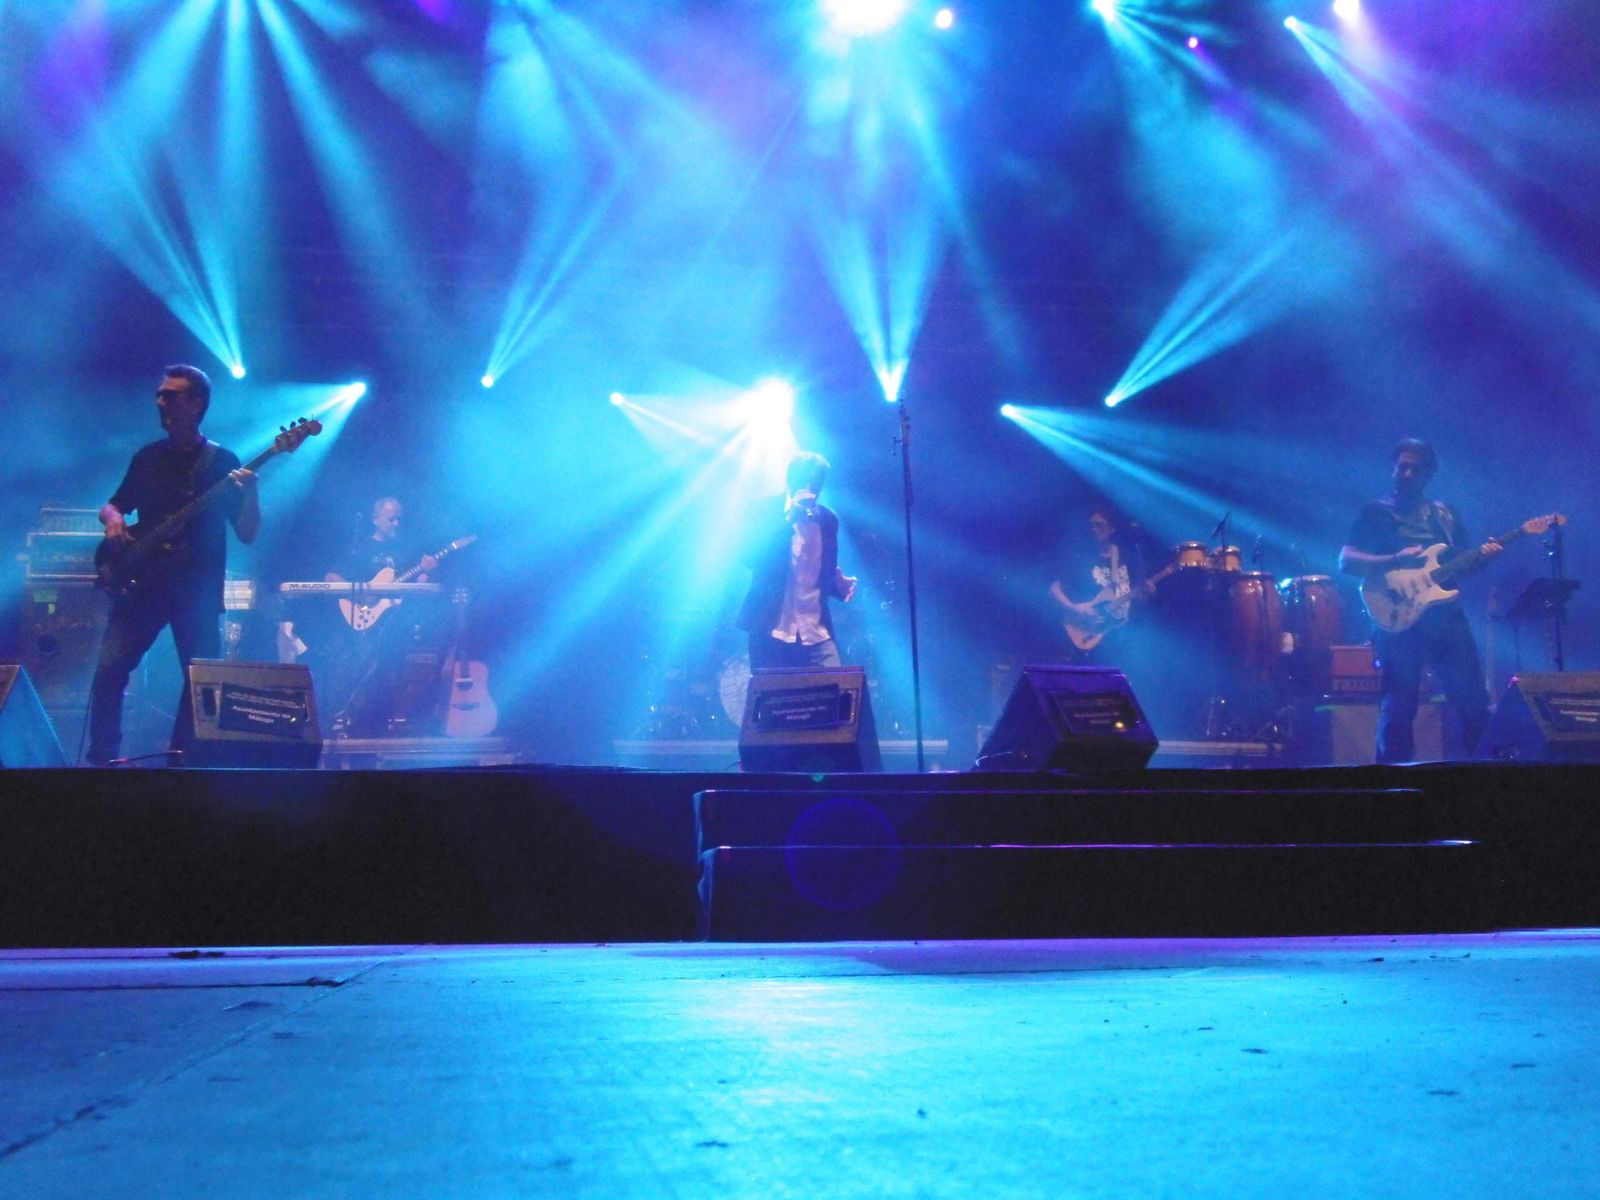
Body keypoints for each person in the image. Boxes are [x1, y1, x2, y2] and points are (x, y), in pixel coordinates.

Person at [86, 365, 260, 764]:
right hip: (143, 583)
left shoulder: (222, 462)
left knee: (200, 685)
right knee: (109, 672)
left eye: (170, 395)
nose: (159, 401)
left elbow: (248, 533)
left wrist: (250, 493)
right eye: (159, 394)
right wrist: (113, 518)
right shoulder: (148, 457)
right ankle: (101, 760)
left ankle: (183, 764)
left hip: (195, 591)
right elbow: (115, 503)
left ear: (195, 404)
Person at [1339, 438, 1501, 763]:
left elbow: (1462, 563)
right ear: (1393, 469)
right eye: (1402, 466)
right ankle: (1392, 789)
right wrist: (1395, 559)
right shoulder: (1376, 512)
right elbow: (1346, 561)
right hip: (1399, 619)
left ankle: (1486, 779)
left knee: (1473, 704)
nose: (1407, 472)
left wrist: (1483, 557)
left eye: (1415, 468)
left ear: (1428, 474)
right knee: (1399, 708)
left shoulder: (1445, 515)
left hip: (1446, 619)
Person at [318, 497, 441, 736]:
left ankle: (379, 728)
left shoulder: (407, 551)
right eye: (390, 518)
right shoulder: (360, 548)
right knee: (360, 671)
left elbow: (419, 585)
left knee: (390, 675)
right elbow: (331, 577)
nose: (396, 523)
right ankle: (344, 722)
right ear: (375, 520)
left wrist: (429, 573)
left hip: (394, 624)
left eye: (399, 519)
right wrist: (362, 596)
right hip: (363, 624)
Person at [737, 451, 858, 670]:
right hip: (769, 629)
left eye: (817, 481)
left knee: (836, 691)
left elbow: (821, 577)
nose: (810, 486)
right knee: (774, 701)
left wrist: (838, 586)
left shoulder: (828, 520)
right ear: (791, 479)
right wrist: (790, 517)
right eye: (805, 479)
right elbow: (748, 556)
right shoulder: (762, 509)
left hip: (815, 631)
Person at [1048, 505, 1148, 660]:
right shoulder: (1081, 557)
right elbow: (1054, 588)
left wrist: (1148, 592)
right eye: (1091, 526)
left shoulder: (1127, 557)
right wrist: (1075, 609)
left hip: (1121, 634)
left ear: (1111, 529)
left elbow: (1139, 596)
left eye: (1099, 525)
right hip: (1088, 628)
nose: (1094, 529)